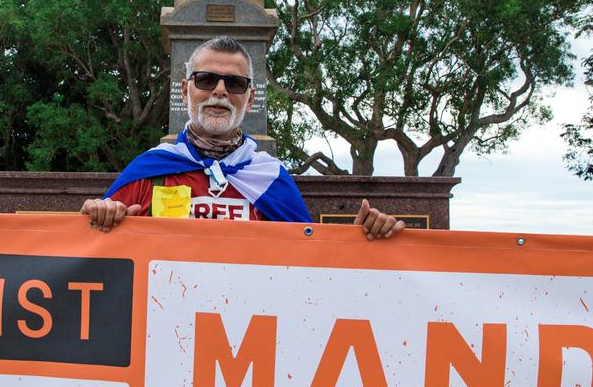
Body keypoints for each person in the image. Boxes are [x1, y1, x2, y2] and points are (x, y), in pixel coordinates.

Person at [81, 35, 405, 239]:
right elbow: (96, 251)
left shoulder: (269, 177)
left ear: (249, 99)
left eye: (235, 84)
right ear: (185, 91)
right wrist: (99, 216)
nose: (220, 91)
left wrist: (368, 240)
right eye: (206, 79)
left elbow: (309, 262)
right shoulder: (151, 170)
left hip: (244, 337)